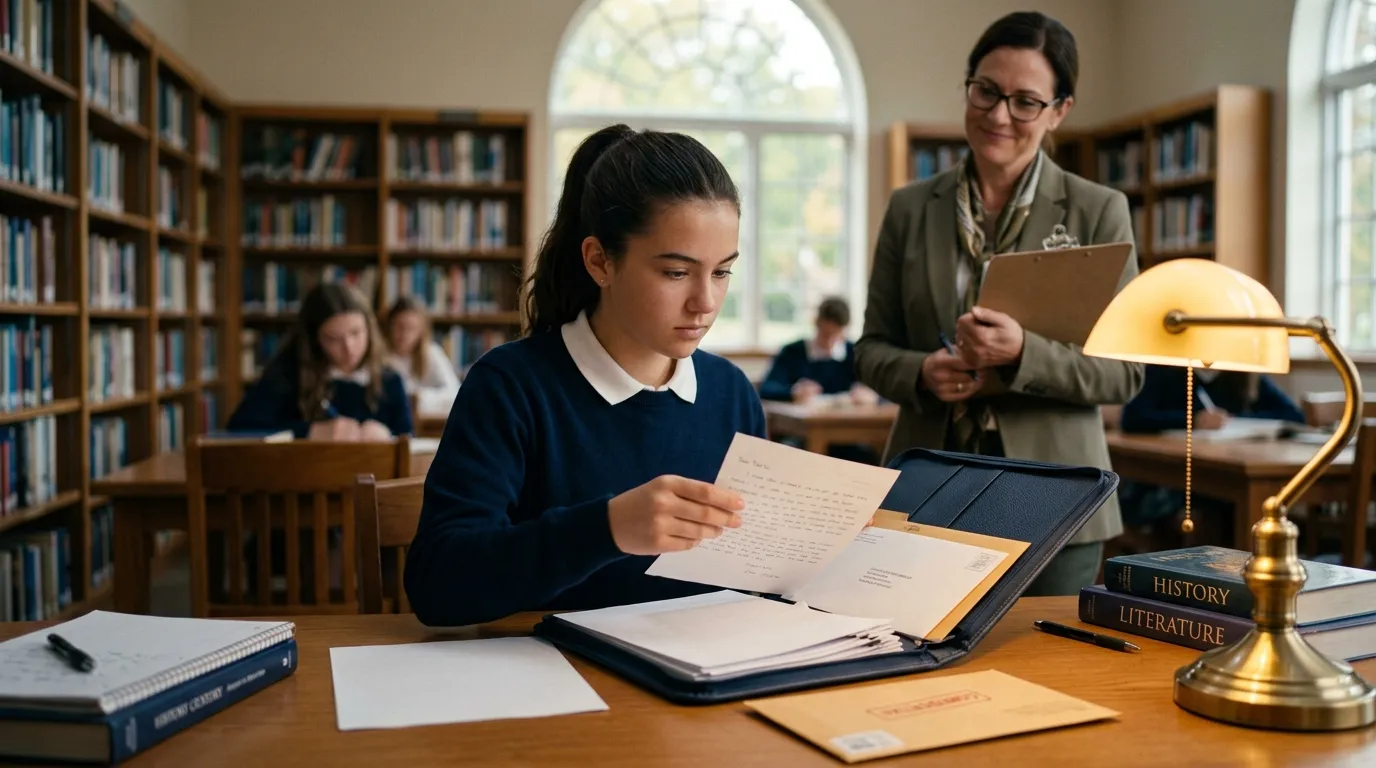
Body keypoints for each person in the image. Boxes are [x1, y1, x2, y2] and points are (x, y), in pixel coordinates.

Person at [403, 125, 767, 628]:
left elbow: (753, 572)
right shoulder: (510, 386)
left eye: (722, 272)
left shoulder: (732, 393)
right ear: (600, 262)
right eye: (676, 273)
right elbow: (438, 585)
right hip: (549, 669)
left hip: (704, 666)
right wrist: (607, 528)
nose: (705, 302)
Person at [854, 11, 1144, 596]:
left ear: (1059, 110)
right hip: (927, 482)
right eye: (985, 91)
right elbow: (870, 350)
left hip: (1058, 492)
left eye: (1025, 102)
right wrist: (922, 371)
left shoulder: (1098, 210)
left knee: (1043, 651)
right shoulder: (910, 208)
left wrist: (1022, 354)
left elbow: (1125, 372)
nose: (998, 115)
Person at [226, 281, 414, 440]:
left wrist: (388, 436)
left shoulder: (390, 380)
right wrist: (309, 431)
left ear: (370, 329)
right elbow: (240, 428)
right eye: (333, 339)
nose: (349, 348)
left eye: (356, 333)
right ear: (314, 340)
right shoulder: (287, 374)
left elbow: (410, 442)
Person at [759, 296, 879, 406]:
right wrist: (792, 392)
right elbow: (767, 389)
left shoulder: (856, 354)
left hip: (849, 420)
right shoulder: (792, 352)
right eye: (826, 334)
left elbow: (884, 389)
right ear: (816, 324)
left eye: (836, 335)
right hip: (805, 420)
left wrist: (872, 396)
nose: (830, 342)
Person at [1120, 366, 1305, 434]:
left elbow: (1295, 415)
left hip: (1231, 462)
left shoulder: (1245, 373)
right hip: (1170, 473)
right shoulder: (1164, 369)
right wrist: (1194, 420)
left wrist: (1233, 419)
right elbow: (1133, 418)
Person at [384, 295, 461, 414]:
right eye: (400, 327)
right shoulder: (380, 355)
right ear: (390, 326)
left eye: (411, 328)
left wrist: (420, 398)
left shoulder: (432, 352)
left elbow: (455, 392)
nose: (404, 334)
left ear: (421, 331)